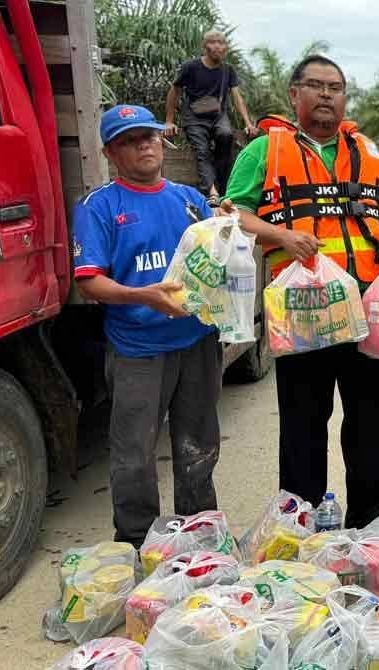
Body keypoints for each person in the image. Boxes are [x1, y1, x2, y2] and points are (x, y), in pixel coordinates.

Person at [224, 55, 379, 529]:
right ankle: (300, 522)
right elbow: (233, 215)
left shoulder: (367, 151)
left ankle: (369, 518)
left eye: (336, 87)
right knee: (303, 423)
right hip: (301, 310)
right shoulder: (264, 151)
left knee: (369, 420)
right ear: (294, 94)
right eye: (316, 85)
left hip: (365, 308)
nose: (327, 95)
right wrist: (282, 236)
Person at [72, 104, 221, 547]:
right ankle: (139, 542)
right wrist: (143, 295)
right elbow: (90, 283)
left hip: (196, 342)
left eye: (150, 135)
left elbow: (218, 259)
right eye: (130, 139)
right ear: (110, 152)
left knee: (198, 445)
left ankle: (199, 534)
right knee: (133, 454)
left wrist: (229, 225)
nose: (145, 144)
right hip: (138, 349)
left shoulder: (190, 201)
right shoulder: (99, 206)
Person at [164, 30, 256, 206]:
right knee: (202, 150)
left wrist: (248, 123)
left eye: (222, 43)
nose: (218, 46)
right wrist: (169, 120)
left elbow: (237, 97)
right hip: (194, 116)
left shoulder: (227, 70)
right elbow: (175, 90)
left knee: (226, 135)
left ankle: (222, 188)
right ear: (205, 46)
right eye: (213, 42)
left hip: (217, 115)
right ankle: (212, 193)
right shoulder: (191, 67)